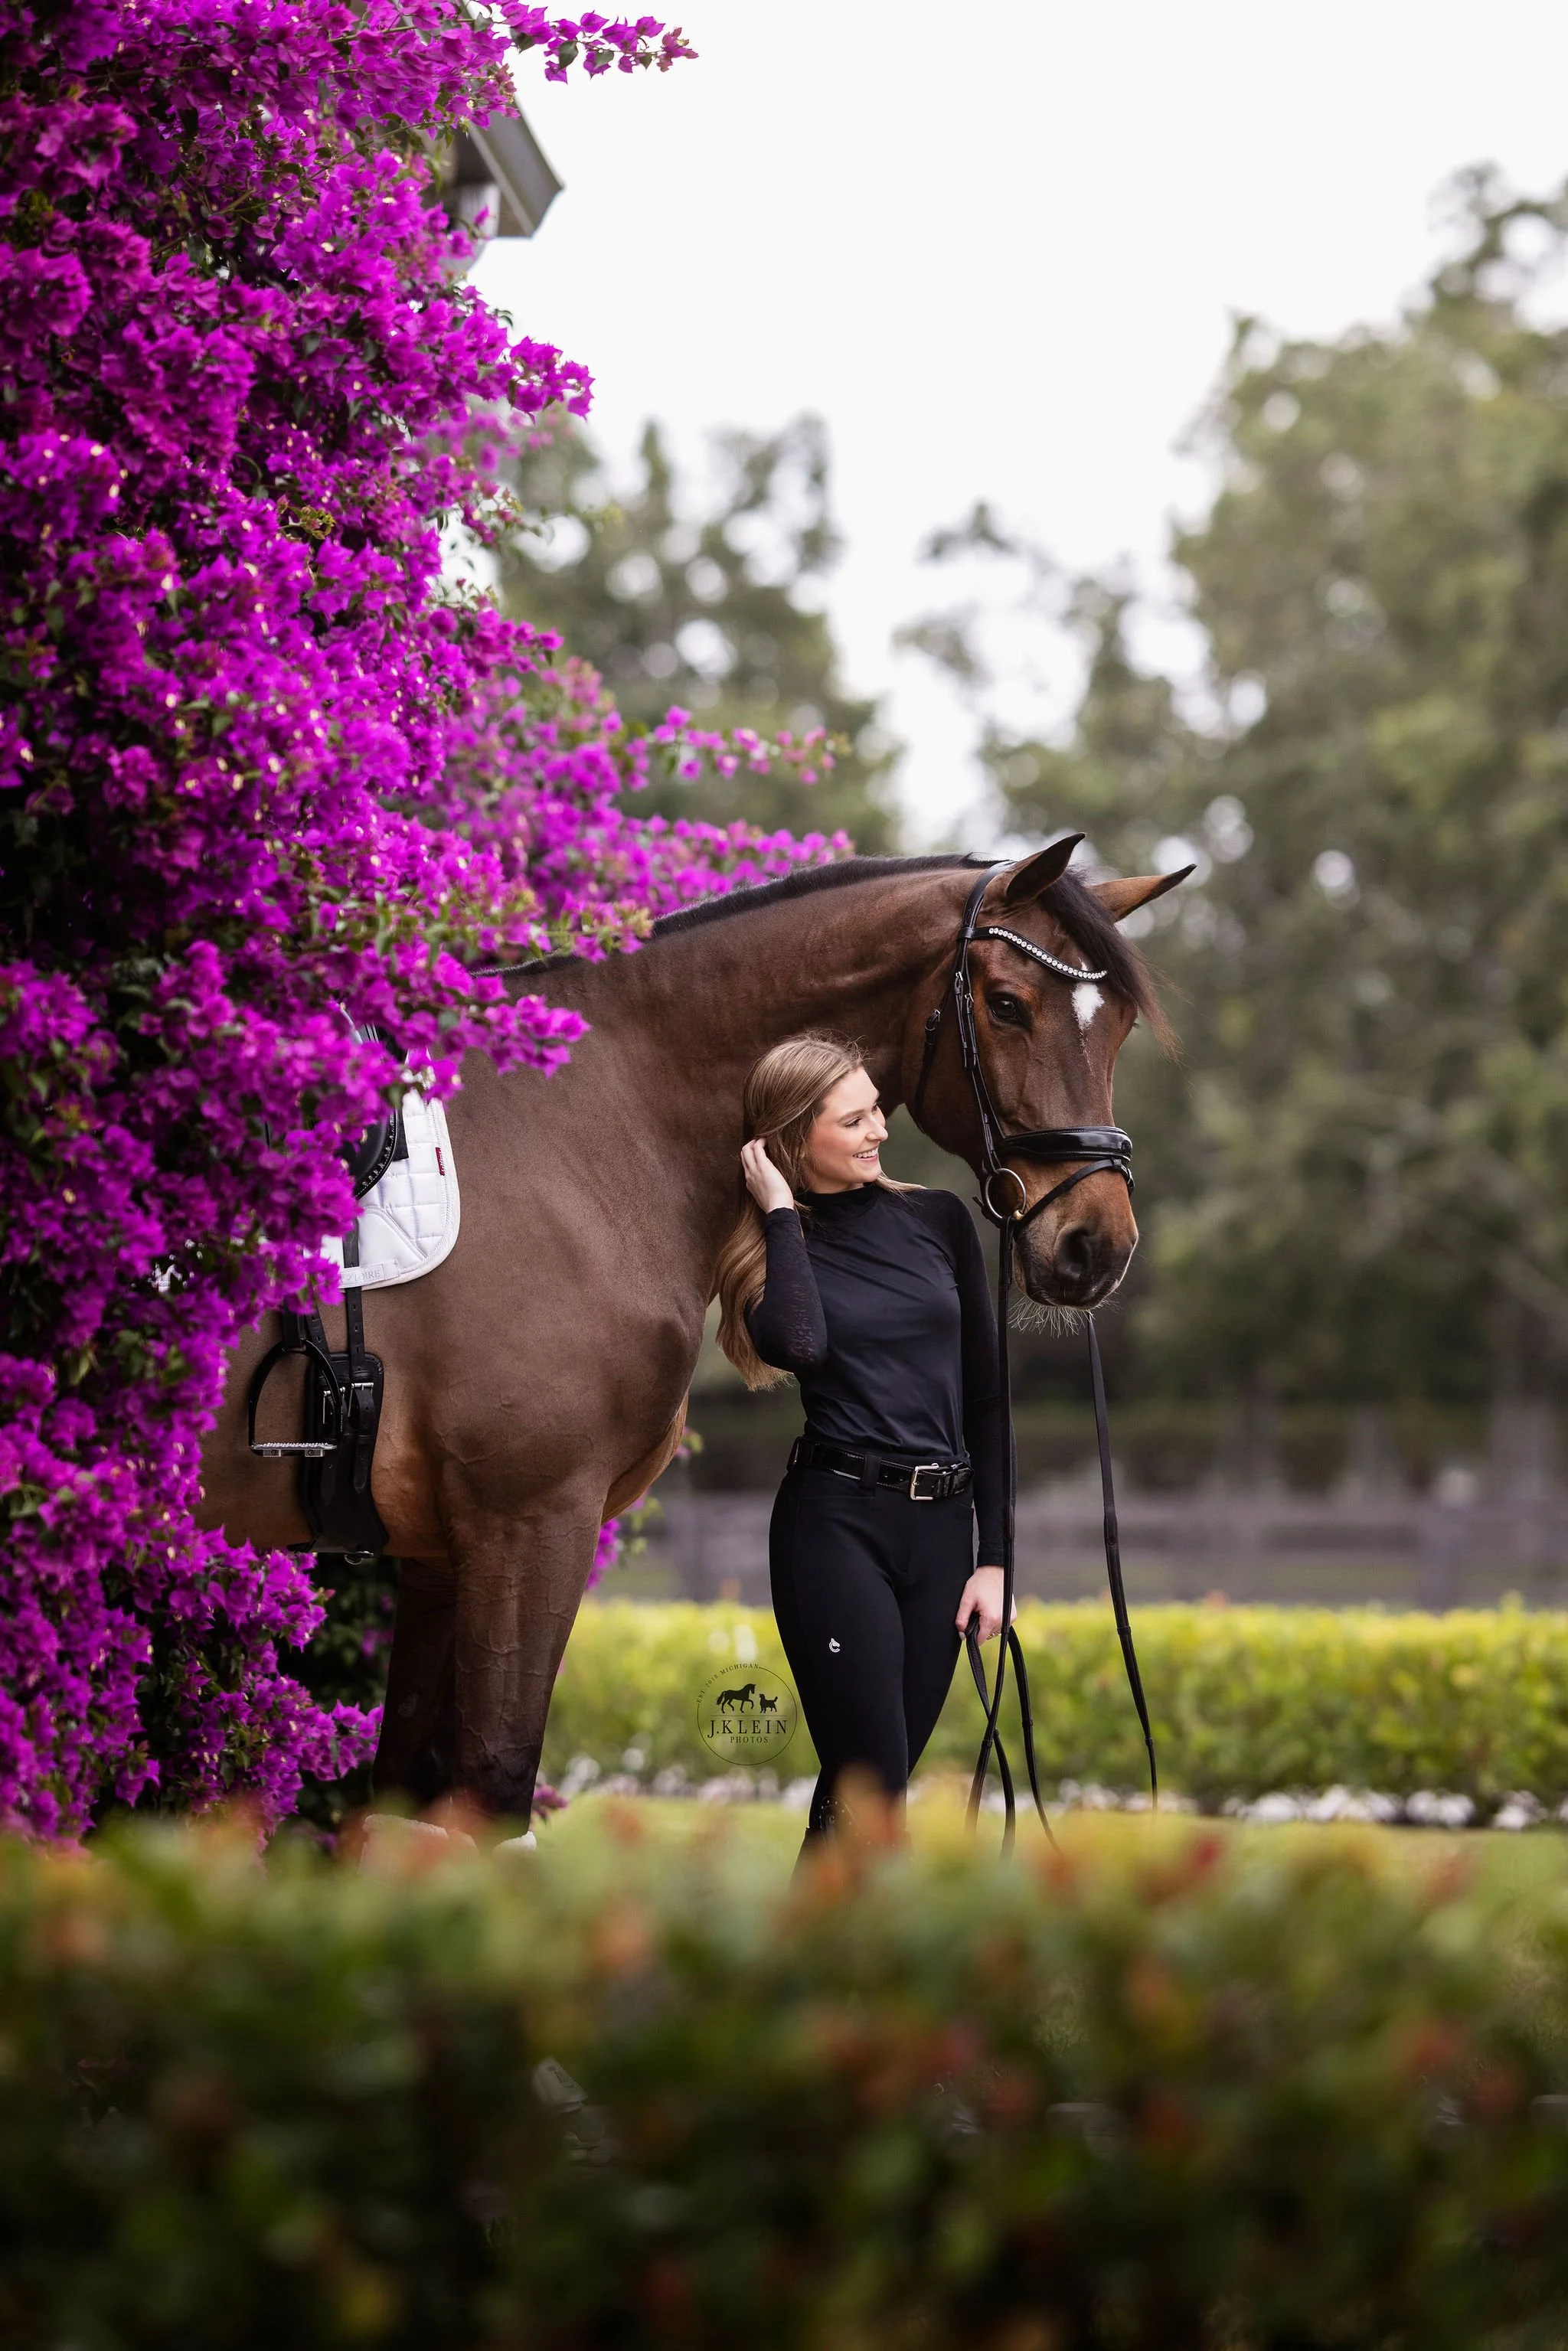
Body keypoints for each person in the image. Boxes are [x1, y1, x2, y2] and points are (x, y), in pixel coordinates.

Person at [714, 1032, 1006, 1846]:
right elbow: (797, 1344)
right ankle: (872, 1967)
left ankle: (808, 1961)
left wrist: (996, 1557)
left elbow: (986, 1397)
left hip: (943, 1534)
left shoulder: (938, 1220)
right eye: (853, 1120)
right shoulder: (771, 1254)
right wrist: (778, 1210)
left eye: (875, 1108)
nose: (879, 1128)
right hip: (835, 1529)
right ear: (792, 1138)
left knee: (864, 1790)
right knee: (874, 1792)